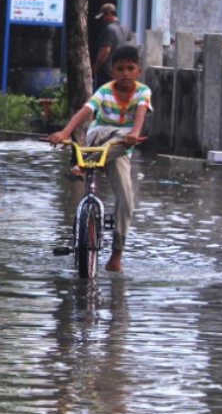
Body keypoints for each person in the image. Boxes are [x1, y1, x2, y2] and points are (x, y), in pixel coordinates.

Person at [48, 44, 152, 272]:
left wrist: (134, 133)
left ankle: (116, 255)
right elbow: (86, 111)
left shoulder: (143, 92)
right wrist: (65, 132)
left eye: (130, 68)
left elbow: (141, 114)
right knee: (104, 134)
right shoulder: (104, 90)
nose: (125, 73)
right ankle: (84, 162)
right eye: (120, 69)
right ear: (113, 71)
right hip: (99, 136)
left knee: (127, 200)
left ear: (138, 71)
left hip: (122, 146)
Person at [92, 3, 129, 89]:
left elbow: (105, 51)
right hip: (119, 72)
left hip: (107, 74)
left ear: (109, 14)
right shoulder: (125, 29)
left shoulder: (109, 29)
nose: (102, 20)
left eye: (104, 16)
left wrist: (95, 68)